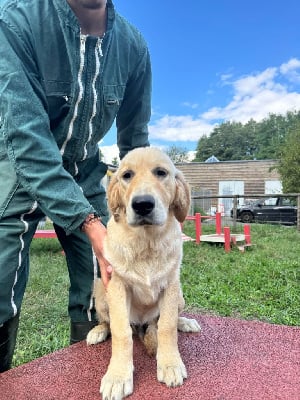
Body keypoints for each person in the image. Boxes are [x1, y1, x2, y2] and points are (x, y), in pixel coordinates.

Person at [0, 0, 151, 372]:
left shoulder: (133, 46)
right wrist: (89, 223)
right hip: (18, 167)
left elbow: (136, 143)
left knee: (102, 284)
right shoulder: (15, 21)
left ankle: (87, 381)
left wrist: (139, 207)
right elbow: (26, 135)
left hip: (85, 175)